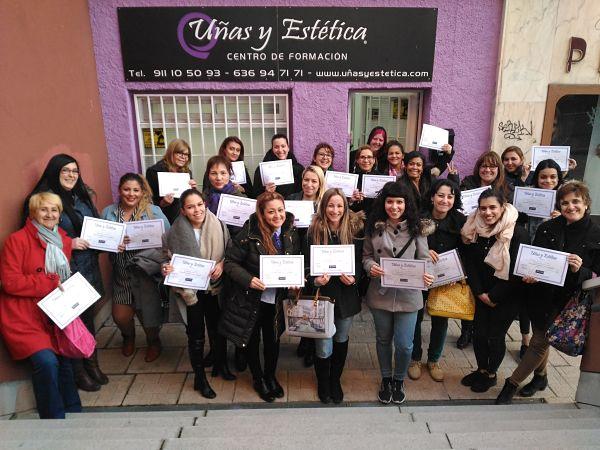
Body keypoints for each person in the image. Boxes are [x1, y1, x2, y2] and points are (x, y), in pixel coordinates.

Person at [496, 181, 600, 404]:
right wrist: (529, 273)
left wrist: (580, 269)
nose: (570, 207)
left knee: (539, 342)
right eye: (565, 203)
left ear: (586, 203)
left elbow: (597, 275)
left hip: (569, 302)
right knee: (541, 337)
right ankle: (541, 377)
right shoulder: (548, 227)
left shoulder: (597, 233)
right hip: (541, 295)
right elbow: (534, 258)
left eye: (575, 201)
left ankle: (511, 384)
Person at [25, 154, 107, 392]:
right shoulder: (43, 201)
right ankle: (77, 371)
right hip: (65, 272)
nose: (72, 175)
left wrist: (111, 241)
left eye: (75, 170)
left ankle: (91, 363)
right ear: (54, 172)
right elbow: (38, 237)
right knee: (71, 322)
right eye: (65, 171)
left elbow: (96, 226)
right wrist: (70, 244)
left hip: (88, 268)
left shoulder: (81, 196)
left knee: (88, 318)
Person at [0, 193, 82, 418]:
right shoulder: (17, 240)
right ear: (33, 213)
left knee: (66, 360)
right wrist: (48, 282)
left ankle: (75, 413)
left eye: (54, 210)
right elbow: (10, 282)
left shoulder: (62, 240)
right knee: (47, 362)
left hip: (54, 313)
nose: (49, 214)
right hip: (24, 316)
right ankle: (52, 419)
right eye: (43, 210)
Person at [220, 192, 302, 402]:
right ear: (262, 213)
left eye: (280, 210)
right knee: (252, 339)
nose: (277, 215)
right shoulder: (248, 234)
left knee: (273, 340)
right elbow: (229, 263)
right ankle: (258, 379)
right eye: (271, 211)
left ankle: (270, 376)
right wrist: (249, 279)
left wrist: (295, 281)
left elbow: (296, 262)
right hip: (252, 299)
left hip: (277, 299)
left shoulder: (290, 232)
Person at [362, 182, 434, 404]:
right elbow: (365, 256)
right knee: (383, 339)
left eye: (399, 202)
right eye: (390, 201)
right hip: (380, 293)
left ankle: (399, 378)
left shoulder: (417, 229)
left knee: (405, 344)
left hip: (408, 296)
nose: (394, 206)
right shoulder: (374, 228)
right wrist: (370, 267)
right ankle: (386, 378)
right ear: (384, 203)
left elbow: (425, 260)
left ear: (407, 204)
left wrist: (427, 275)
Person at [161, 189, 234, 399]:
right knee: (196, 334)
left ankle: (221, 364)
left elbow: (230, 250)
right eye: (191, 207)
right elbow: (163, 257)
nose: (197, 210)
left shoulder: (218, 224)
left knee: (217, 327)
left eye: (200, 204)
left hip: (214, 286)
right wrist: (165, 267)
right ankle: (199, 377)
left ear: (205, 204)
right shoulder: (173, 232)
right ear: (183, 210)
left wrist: (221, 263)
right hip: (189, 291)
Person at [460, 189, 529, 393]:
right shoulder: (474, 228)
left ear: (502, 206)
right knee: (479, 335)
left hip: (507, 295)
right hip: (482, 293)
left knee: (495, 336)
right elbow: (470, 262)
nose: (487, 212)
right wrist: (480, 292)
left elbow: (517, 269)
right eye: (483, 208)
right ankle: (481, 369)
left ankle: (491, 374)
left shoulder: (516, 232)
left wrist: (494, 296)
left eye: (492, 207)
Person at [101, 173, 170, 362]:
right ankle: (128, 337)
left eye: (135, 190)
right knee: (120, 317)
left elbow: (168, 237)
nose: (131, 194)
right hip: (121, 274)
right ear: (119, 190)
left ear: (142, 192)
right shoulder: (108, 212)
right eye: (126, 189)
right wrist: (113, 242)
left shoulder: (153, 211)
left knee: (149, 316)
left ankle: (154, 341)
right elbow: (100, 239)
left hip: (144, 273)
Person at [305, 188, 365, 404]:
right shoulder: (313, 232)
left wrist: (354, 277)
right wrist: (314, 280)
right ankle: (323, 381)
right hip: (322, 296)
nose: (335, 210)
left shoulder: (355, 232)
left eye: (339, 205)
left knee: (341, 339)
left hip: (346, 296)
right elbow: (305, 264)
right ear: (323, 207)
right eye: (331, 205)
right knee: (323, 344)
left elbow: (360, 262)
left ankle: (335, 380)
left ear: (345, 208)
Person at [409, 179, 466, 383]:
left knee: (441, 319)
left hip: (446, 279)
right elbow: (407, 246)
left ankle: (433, 360)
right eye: (440, 195)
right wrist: (424, 250)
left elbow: (466, 251)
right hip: (421, 275)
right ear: (432, 197)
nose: (445, 200)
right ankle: (415, 358)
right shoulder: (418, 218)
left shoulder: (460, 221)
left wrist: (458, 275)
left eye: (450, 196)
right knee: (414, 317)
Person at [457, 151, 513, 349]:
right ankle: (466, 329)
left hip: (496, 242)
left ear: (498, 170)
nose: (487, 169)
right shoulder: (467, 183)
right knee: (471, 286)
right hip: (470, 236)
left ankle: (486, 331)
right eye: (483, 165)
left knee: (488, 285)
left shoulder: (507, 189)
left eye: (492, 166)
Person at [287, 165, 326, 368]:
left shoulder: (323, 203)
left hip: (315, 257)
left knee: (313, 299)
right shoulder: (292, 198)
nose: (309, 184)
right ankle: (304, 337)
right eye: (306, 180)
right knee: (299, 298)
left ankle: (311, 343)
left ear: (320, 183)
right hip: (294, 254)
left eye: (314, 181)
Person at [146, 138, 197, 224]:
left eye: (186, 154)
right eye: (180, 153)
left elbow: (189, 199)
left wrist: (193, 190)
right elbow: (148, 200)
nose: (183, 157)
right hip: (162, 218)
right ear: (171, 153)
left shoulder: (187, 172)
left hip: (183, 219)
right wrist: (162, 203)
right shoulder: (154, 172)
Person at [203, 155, 247, 235]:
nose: (218, 178)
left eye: (223, 173)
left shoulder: (240, 198)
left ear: (229, 174)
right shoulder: (204, 196)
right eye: (213, 173)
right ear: (208, 175)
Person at [253, 134, 304, 198]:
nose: (280, 150)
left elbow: (303, 192)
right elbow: (255, 195)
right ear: (272, 149)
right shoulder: (262, 170)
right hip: (270, 205)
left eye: (283, 146)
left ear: (288, 148)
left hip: (292, 205)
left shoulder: (299, 169)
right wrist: (266, 192)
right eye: (276, 147)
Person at [349, 145, 382, 215]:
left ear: (374, 160)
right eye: (362, 157)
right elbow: (347, 206)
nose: (366, 160)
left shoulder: (382, 179)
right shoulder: (351, 179)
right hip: (356, 220)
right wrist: (351, 201)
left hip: (376, 220)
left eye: (369, 157)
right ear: (357, 160)